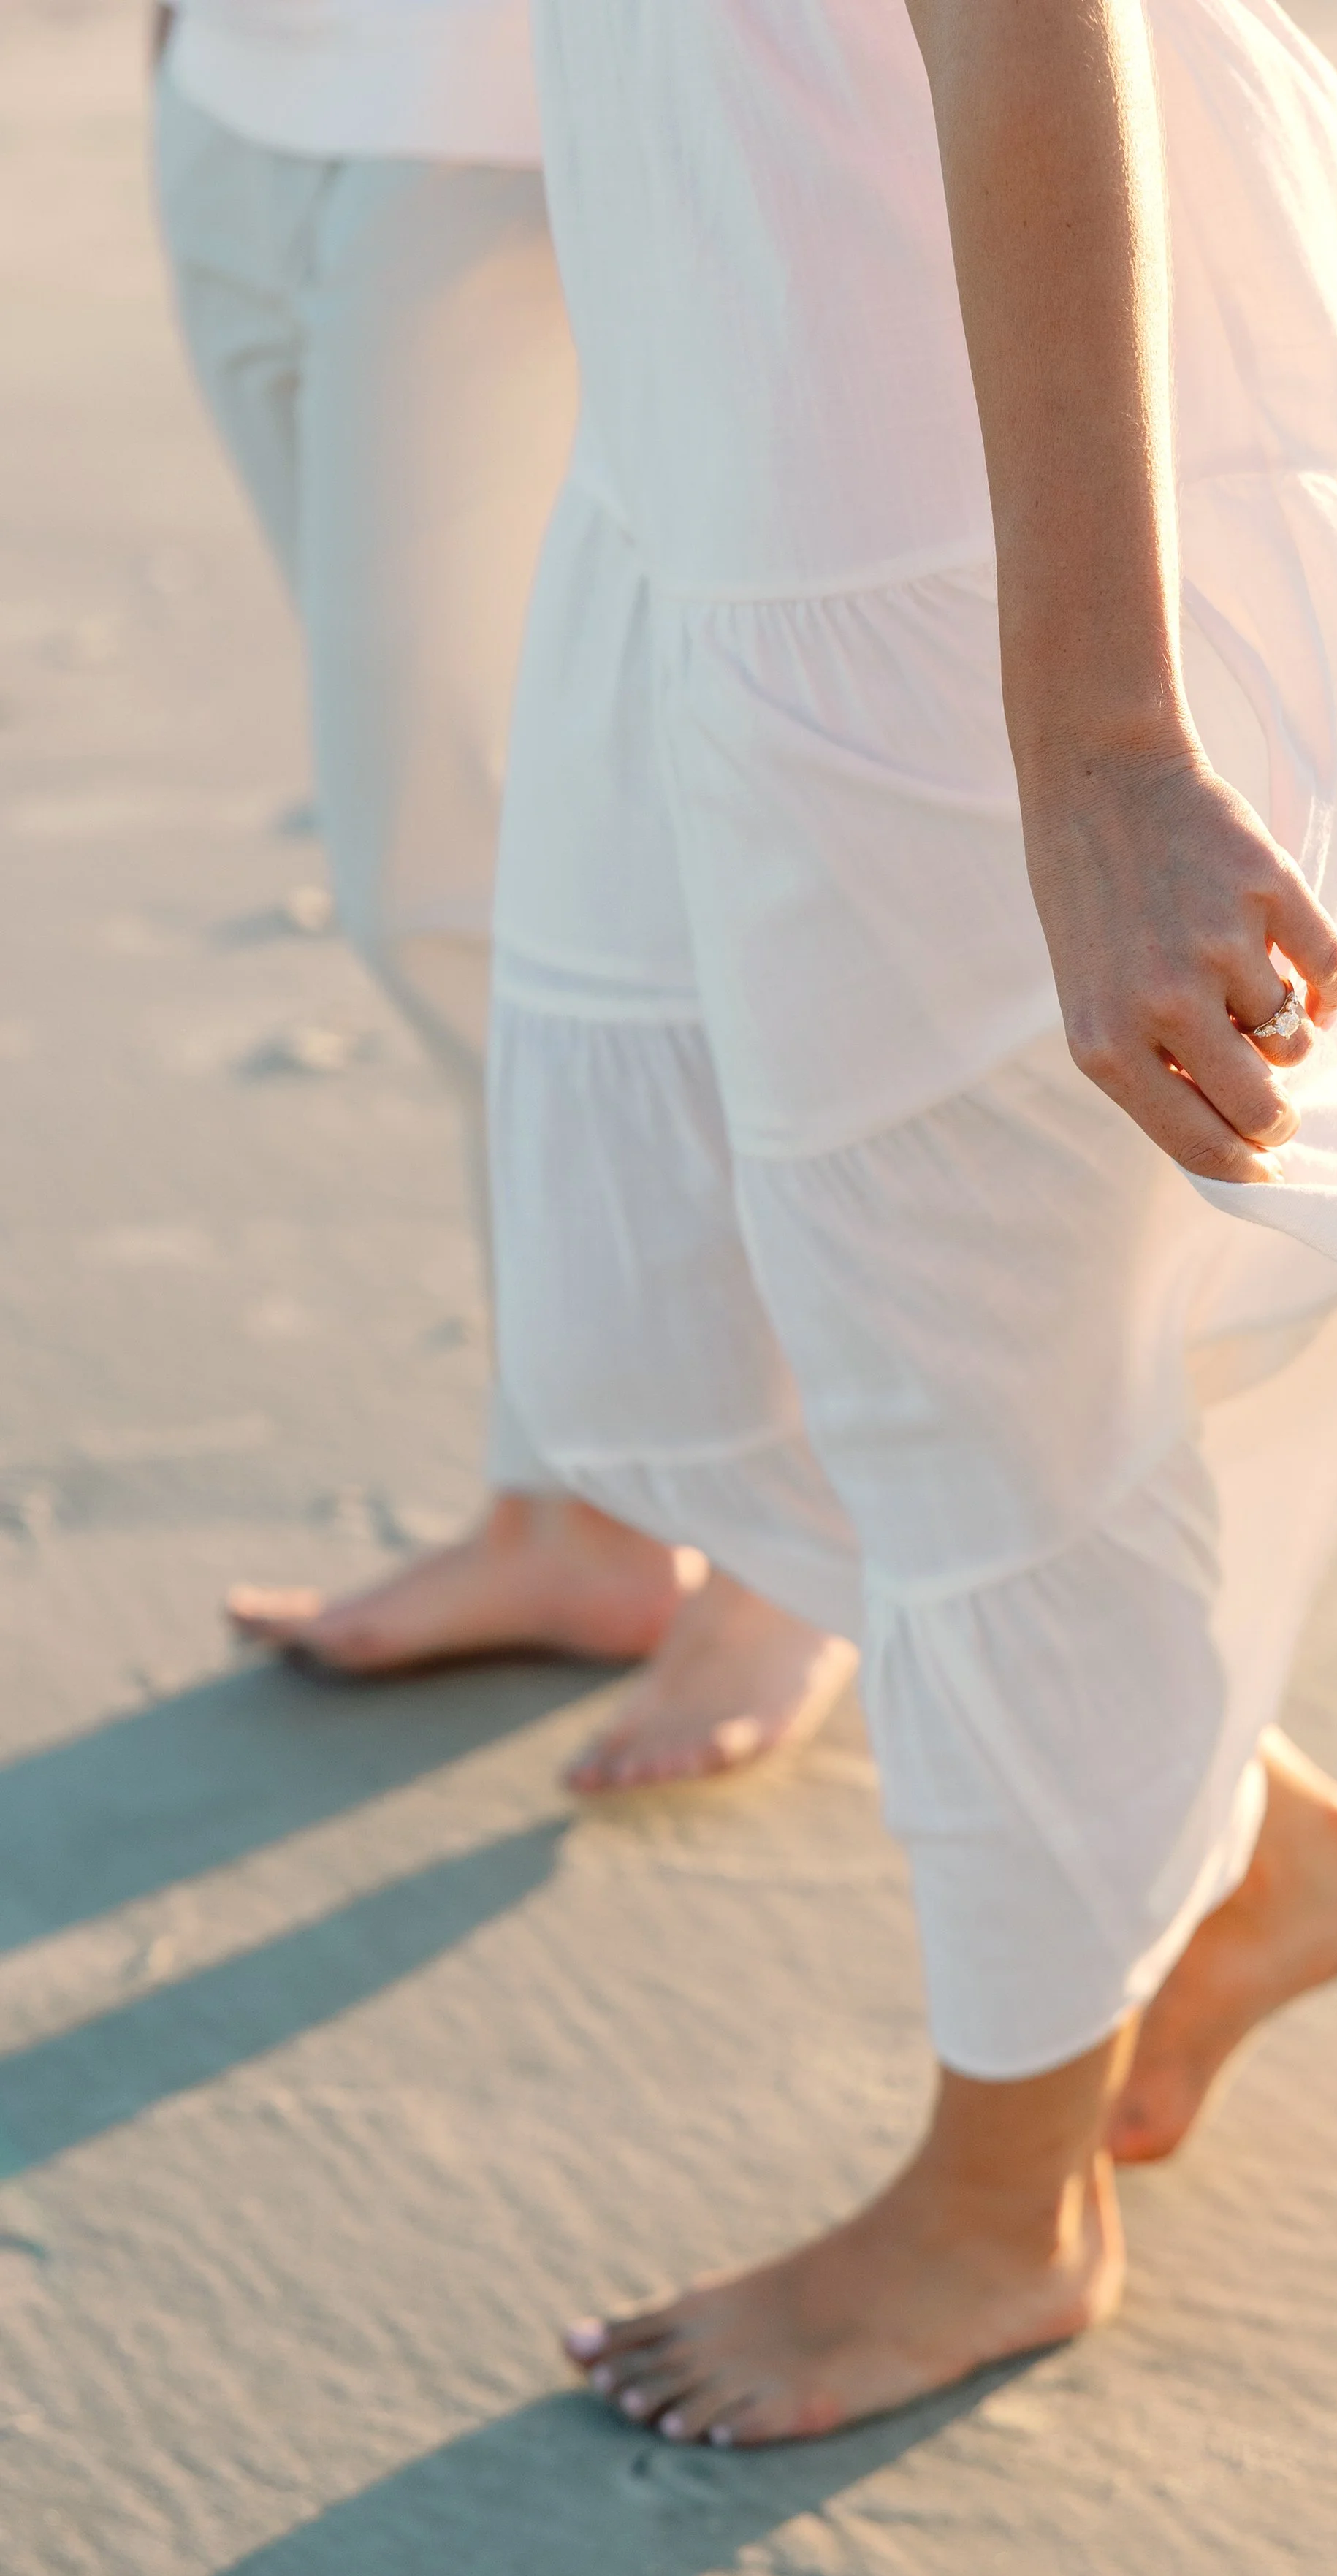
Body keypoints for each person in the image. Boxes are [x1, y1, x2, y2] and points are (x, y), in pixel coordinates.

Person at [489, 0, 1337, 2448]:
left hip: (973, 536)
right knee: (742, 1305)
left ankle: (1006, 2211)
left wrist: (1100, 745)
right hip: (756, 408)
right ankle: (1238, 1851)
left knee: (967, 1373)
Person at [150, 0, 857, 1788]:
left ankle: (796, 1519)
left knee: (470, 887)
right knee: (479, 864)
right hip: (231, 97)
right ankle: (577, 1508)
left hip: (497, 131)